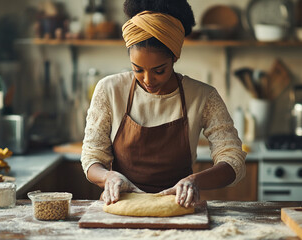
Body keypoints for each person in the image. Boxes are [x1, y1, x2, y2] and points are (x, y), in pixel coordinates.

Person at [81, 0, 246, 208]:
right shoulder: (110, 90)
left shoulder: (203, 96)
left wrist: (195, 181)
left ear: (174, 58)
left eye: (159, 71)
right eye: (137, 69)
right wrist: (109, 178)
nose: (148, 80)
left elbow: (233, 160)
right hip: (121, 207)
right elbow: (92, 156)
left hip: (177, 207)